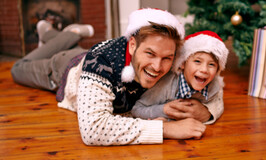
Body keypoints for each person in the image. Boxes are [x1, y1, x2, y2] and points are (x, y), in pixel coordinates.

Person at [11, 8, 216, 145]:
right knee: (19, 68)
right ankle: (67, 33)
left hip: (86, 54)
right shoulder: (100, 62)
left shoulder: (173, 59)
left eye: (166, 58)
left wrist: (207, 113)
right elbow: (93, 130)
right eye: (150, 54)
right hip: (65, 69)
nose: (157, 67)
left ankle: (55, 34)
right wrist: (166, 129)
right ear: (133, 45)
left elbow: (210, 80)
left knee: (76, 50)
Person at [131, 30, 229, 125]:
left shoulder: (214, 86)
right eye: (197, 61)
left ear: (217, 71)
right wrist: (164, 110)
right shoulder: (166, 85)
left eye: (211, 64)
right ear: (182, 63)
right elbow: (137, 109)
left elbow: (218, 103)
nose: (204, 70)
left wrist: (207, 112)